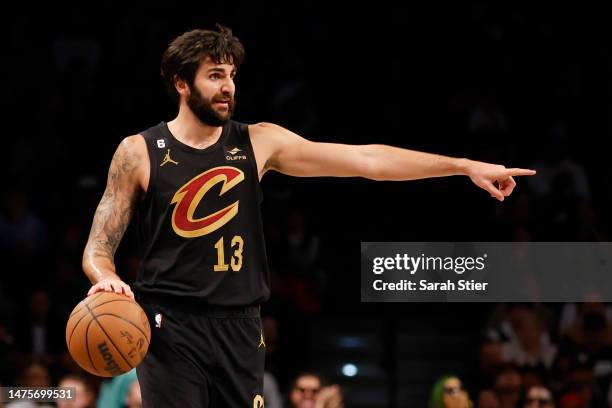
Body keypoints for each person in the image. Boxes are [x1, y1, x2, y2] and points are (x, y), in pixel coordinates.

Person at [82, 24, 536, 407]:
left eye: (232, 75)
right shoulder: (140, 151)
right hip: (169, 324)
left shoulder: (258, 142)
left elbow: (368, 161)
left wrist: (462, 166)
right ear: (181, 83)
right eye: (214, 75)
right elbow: (99, 247)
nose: (228, 87)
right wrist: (105, 276)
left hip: (240, 326)